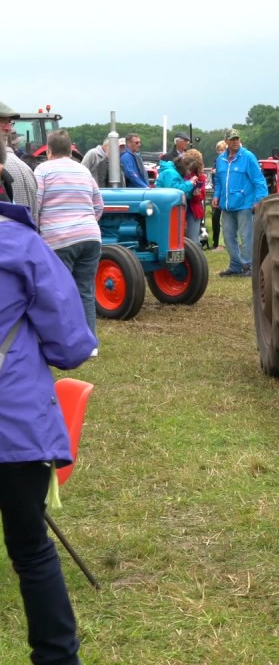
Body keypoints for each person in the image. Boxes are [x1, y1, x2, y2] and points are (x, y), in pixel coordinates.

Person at [0, 192, 97, 665]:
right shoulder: (21, 244)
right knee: (31, 550)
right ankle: (57, 658)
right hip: (13, 426)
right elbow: (70, 343)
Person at [33, 129, 104, 348]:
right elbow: (99, 205)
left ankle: (63, 342)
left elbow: (36, 204)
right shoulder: (83, 171)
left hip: (58, 238)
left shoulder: (43, 170)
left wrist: (36, 231)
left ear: (49, 150)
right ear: (71, 149)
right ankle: (89, 344)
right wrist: (87, 222)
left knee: (59, 292)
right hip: (91, 237)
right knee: (85, 290)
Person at [213, 129, 267, 277]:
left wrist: (259, 200)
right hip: (227, 205)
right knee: (228, 236)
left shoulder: (248, 157)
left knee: (246, 236)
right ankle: (235, 265)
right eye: (232, 139)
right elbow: (218, 180)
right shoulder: (221, 160)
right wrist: (216, 196)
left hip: (245, 204)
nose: (235, 141)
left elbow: (259, 180)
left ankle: (248, 265)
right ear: (227, 142)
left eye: (237, 138)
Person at [1, 108, 40, 219]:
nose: (8, 128)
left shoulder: (7, 168)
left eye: (9, 122)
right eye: (4, 122)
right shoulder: (26, 168)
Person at [209, 140, 226, 249]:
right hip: (217, 191)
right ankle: (215, 242)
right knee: (215, 219)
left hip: (225, 194)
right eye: (218, 150)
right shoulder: (217, 161)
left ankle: (222, 243)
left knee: (223, 220)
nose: (220, 152)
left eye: (222, 150)